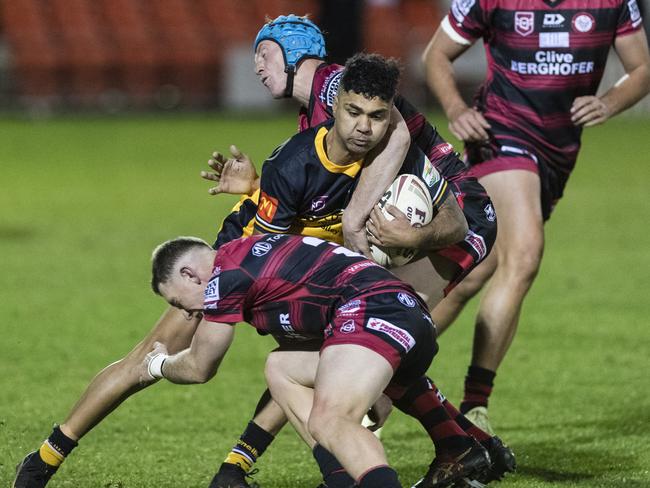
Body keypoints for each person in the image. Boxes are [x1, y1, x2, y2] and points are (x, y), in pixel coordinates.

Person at [13, 16, 511, 488]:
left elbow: (397, 130)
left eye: (265, 53)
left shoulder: (335, 85)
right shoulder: (307, 132)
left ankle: (441, 447)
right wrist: (260, 188)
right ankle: (460, 445)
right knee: (356, 341)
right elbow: (313, 182)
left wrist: (356, 222)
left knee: (367, 339)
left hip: (444, 218)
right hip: (287, 237)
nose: (257, 66)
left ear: (296, 54)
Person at [420, 0, 650, 434]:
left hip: (558, 150)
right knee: (524, 255)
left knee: (474, 269)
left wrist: (610, 102)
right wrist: (455, 110)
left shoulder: (613, 2)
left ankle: (378, 358)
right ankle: (475, 407)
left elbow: (641, 68)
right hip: (501, 133)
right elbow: (436, 54)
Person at [145, 233, 492, 488]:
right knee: (280, 367)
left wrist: (158, 363)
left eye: (178, 302)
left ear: (190, 274)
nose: (187, 313)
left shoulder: (224, 275)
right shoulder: (253, 253)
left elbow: (200, 366)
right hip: (404, 317)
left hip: (372, 313)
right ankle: (353, 476)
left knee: (331, 419)